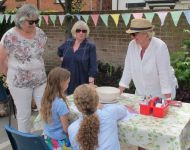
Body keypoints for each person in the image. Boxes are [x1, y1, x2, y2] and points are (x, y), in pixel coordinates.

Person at [0, 4, 47, 132]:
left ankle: (49, 140)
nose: (34, 24)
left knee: (46, 110)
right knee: (24, 115)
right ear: (20, 20)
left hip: (40, 80)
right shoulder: (9, 36)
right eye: (31, 22)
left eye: (36, 21)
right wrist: (9, 75)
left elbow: (38, 56)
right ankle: (25, 143)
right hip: (19, 83)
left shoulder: (40, 34)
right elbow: (0, 60)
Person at [119, 18, 178, 101]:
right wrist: (119, 92)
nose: (132, 37)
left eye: (134, 34)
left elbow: (164, 74)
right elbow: (128, 69)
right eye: (131, 34)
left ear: (146, 34)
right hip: (141, 94)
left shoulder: (160, 47)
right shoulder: (132, 45)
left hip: (160, 95)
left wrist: (168, 99)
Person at [68, 84, 127, 150]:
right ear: (98, 100)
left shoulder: (71, 129)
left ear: (77, 107)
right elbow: (124, 110)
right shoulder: (110, 113)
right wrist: (103, 106)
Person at [57, 20, 98, 95]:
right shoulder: (68, 42)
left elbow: (93, 65)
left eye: (84, 31)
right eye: (78, 30)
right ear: (74, 31)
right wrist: (62, 57)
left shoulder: (90, 46)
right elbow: (60, 50)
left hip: (82, 79)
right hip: (67, 80)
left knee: (80, 101)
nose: (81, 33)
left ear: (86, 32)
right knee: (67, 101)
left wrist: (91, 80)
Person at [40, 67, 71, 150]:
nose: (68, 85)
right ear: (61, 84)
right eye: (67, 83)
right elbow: (66, 129)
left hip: (46, 138)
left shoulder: (45, 97)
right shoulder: (61, 104)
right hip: (59, 142)